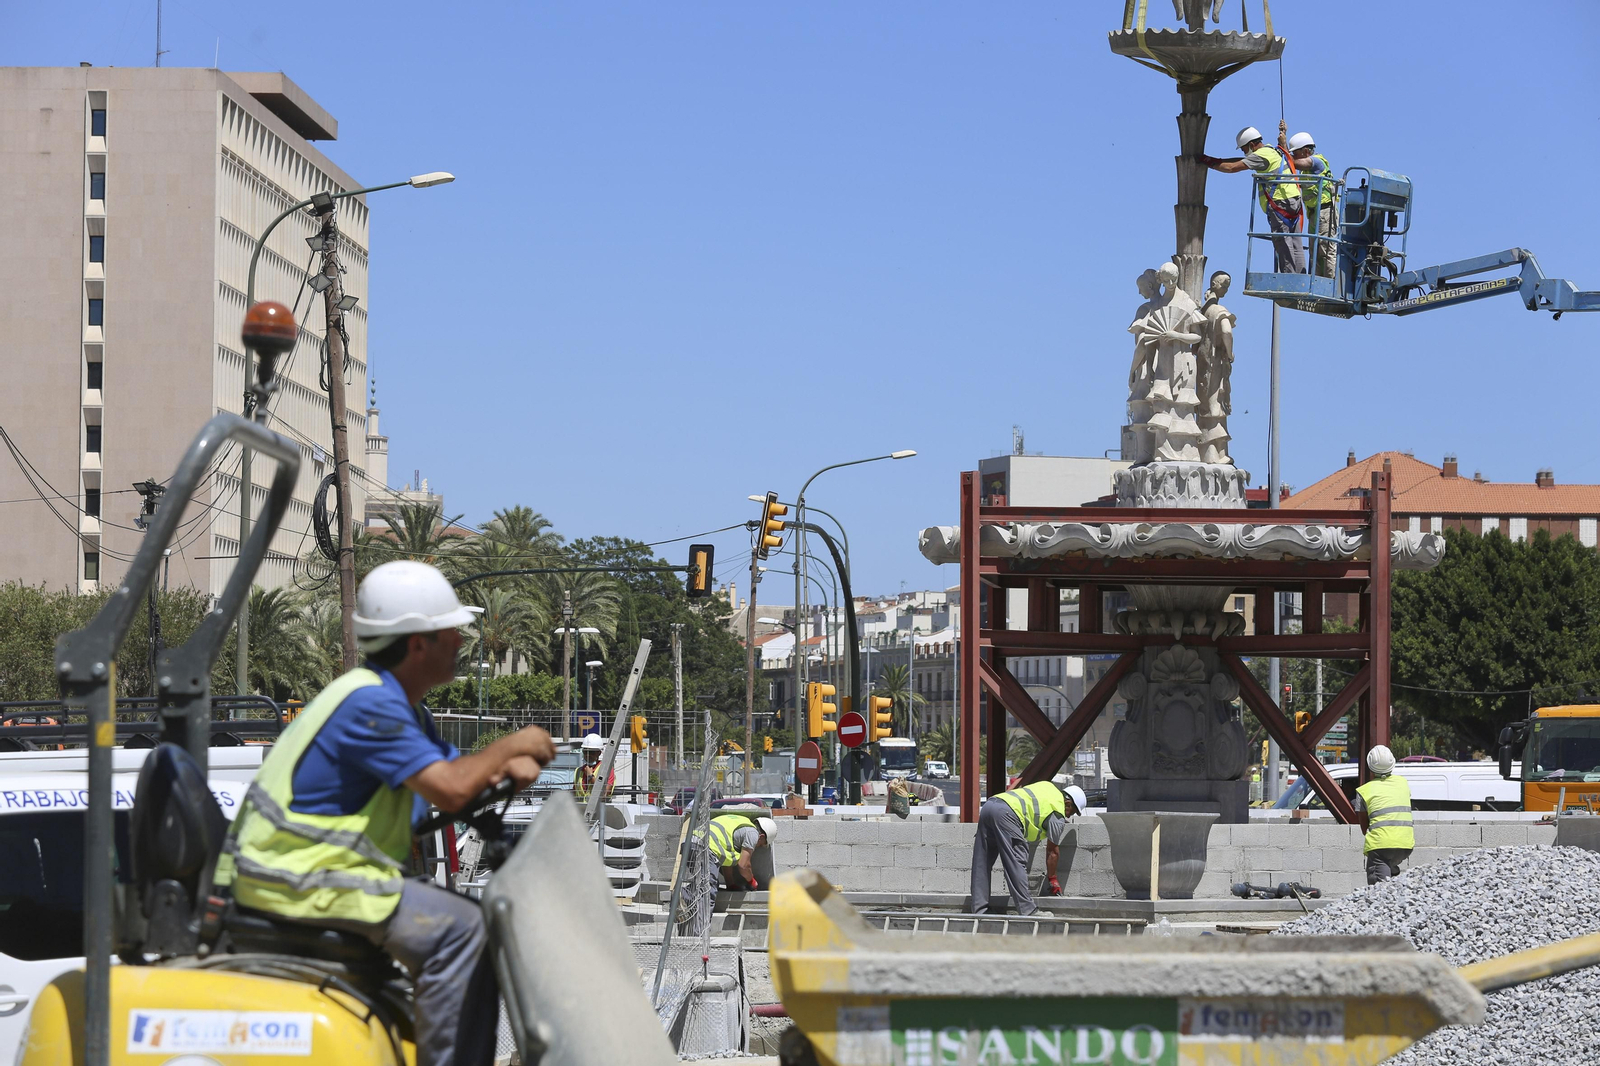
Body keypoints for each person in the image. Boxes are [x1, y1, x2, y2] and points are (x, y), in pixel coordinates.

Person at [214, 561, 556, 1066]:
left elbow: (449, 783)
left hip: (316, 879)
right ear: (419, 643)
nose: (463, 644)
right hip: (298, 881)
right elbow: (453, 788)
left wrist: (500, 772)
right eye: (452, 633)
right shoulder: (369, 706)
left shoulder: (399, 708)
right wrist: (516, 743)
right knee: (465, 930)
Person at [1201, 122, 1306, 274]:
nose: (1244, 153)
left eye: (1244, 149)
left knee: (1283, 242)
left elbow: (1232, 167)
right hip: (1294, 200)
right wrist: (1216, 158)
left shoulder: (1260, 157)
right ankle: (1301, 277)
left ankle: (1288, 277)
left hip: (1280, 203)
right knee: (1296, 242)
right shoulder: (1272, 150)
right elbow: (1237, 160)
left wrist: (1207, 162)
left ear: (1251, 144)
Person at [969, 781, 1087, 916]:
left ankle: (980, 910)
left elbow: (1031, 807)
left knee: (982, 862)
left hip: (989, 806)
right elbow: (1052, 851)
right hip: (1008, 814)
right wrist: (1052, 878)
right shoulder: (1057, 811)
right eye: (1071, 812)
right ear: (1067, 804)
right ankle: (1028, 910)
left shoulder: (1047, 787)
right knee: (1016, 862)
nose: (1068, 817)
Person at [1354, 745, 1414, 884]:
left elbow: (1364, 829)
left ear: (1370, 766)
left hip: (1381, 846)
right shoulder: (1403, 784)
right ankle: (1392, 872)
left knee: (1379, 890)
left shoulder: (1363, 791)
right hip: (1405, 845)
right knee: (1389, 867)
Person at [1287, 131, 1337, 279]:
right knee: (1315, 250)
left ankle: (1329, 283)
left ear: (1306, 151)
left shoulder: (1317, 161)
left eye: (1295, 153)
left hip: (1325, 212)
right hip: (1315, 214)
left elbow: (1293, 163)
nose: (1294, 157)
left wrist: (1283, 156)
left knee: (1325, 249)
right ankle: (1317, 281)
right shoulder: (1306, 168)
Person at [702, 813, 778, 891]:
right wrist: (751, 881)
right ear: (761, 837)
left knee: (697, 887)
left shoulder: (742, 823)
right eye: (761, 844)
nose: (758, 847)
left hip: (695, 840)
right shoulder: (752, 833)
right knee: (708, 891)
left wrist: (730, 884)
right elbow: (743, 865)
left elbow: (727, 861)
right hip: (708, 847)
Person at [575, 732, 614, 800]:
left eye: (591, 752)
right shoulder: (578, 771)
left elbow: (604, 794)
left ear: (598, 753)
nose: (587, 755)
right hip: (580, 809)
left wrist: (590, 776)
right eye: (585, 752)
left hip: (599, 810)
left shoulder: (607, 770)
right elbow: (575, 794)